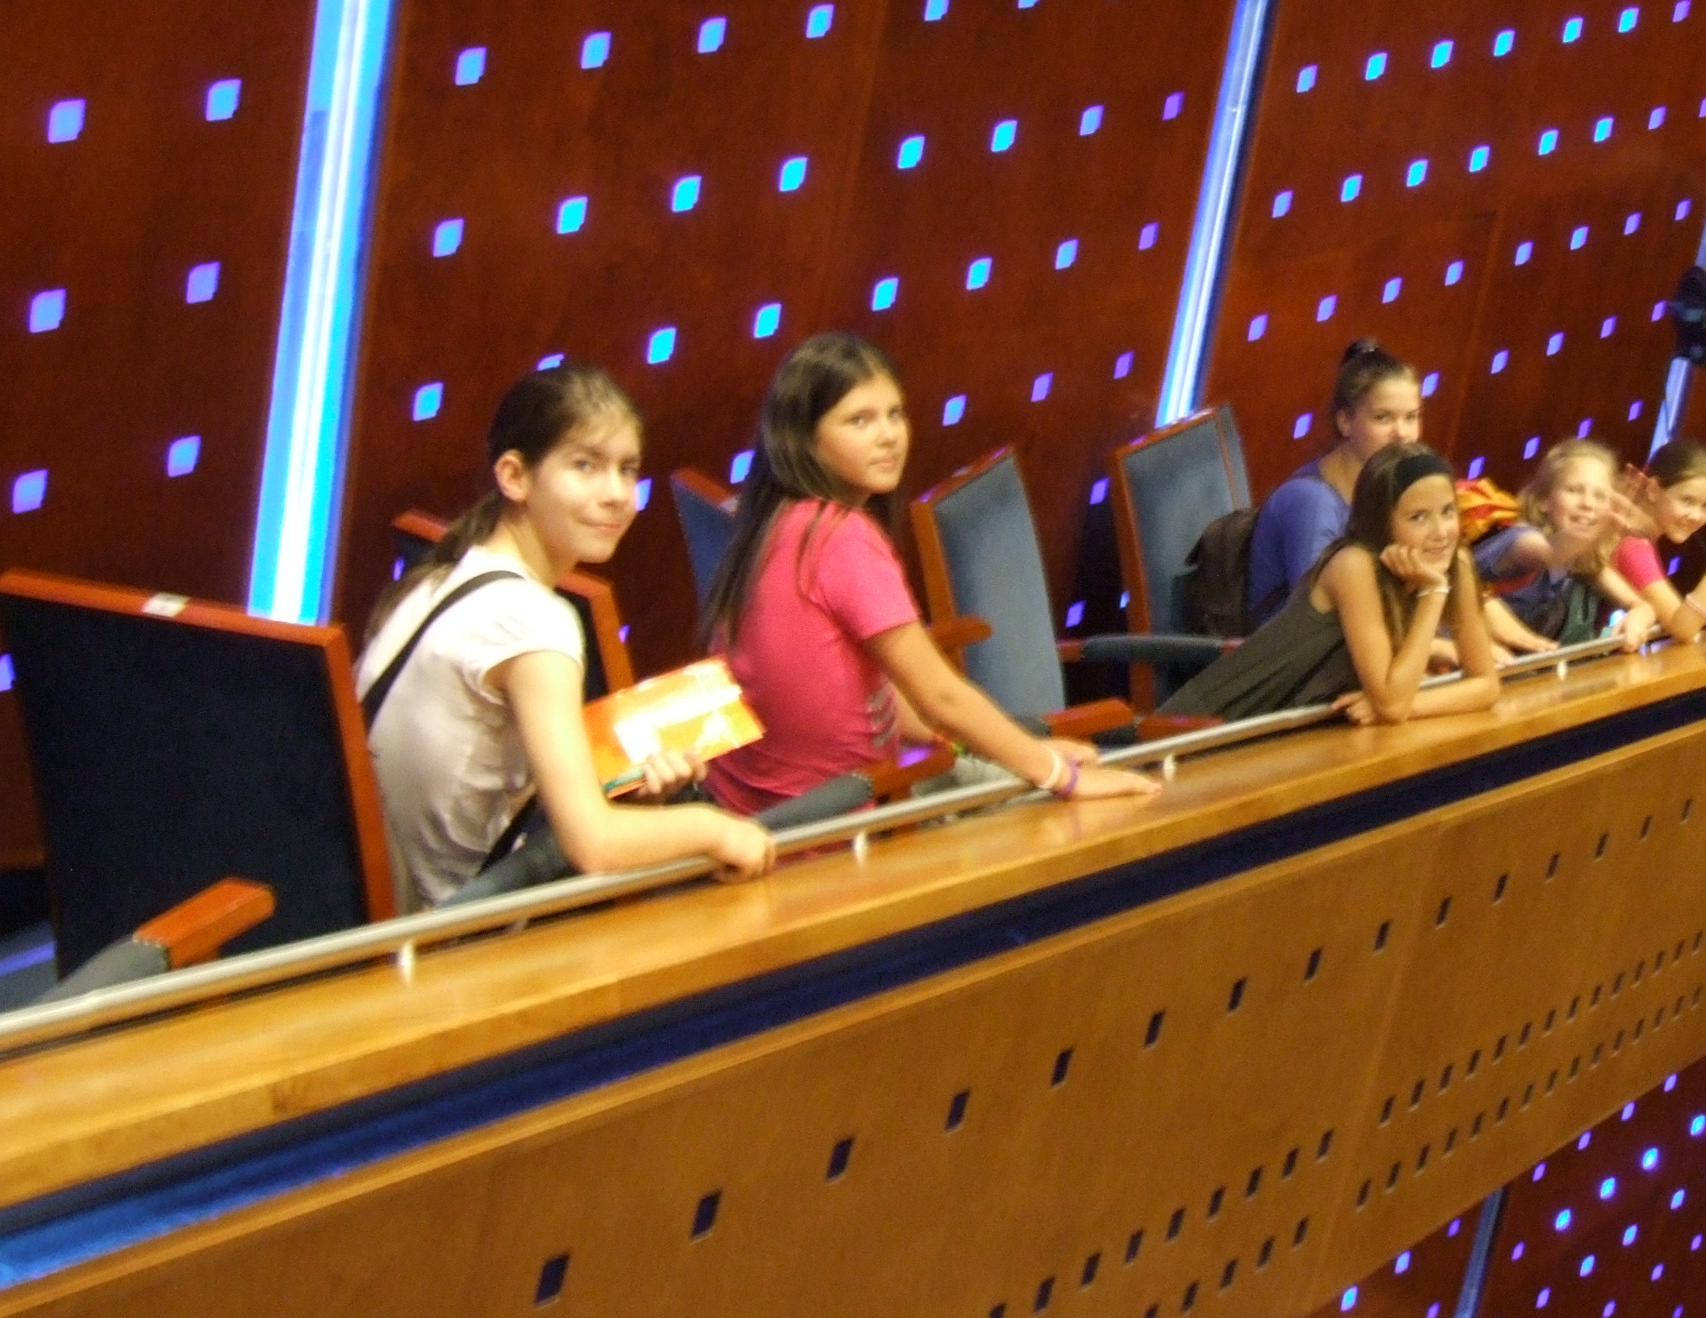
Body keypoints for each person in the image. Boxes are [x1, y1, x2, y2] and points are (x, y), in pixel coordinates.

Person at [361, 366, 775, 910]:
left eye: (627, 470)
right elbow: (592, 844)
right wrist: (716, 828)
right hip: (463, 929)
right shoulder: (535, 621)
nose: (617, 495)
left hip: (400, 918)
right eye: (586, 466)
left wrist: (629, 788)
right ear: (515, 476)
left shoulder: (437, 576)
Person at [701, 333, 1158, 810]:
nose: (889, 436)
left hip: (769, 811)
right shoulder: (841, 537)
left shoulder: (775, 521)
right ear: (804, 440)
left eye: (895, 414)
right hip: (843, 820)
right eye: (860, 420)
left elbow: (871, 693)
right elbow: (941, 697)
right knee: (1112, 805)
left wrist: (1017, 753)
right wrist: (1061, 777)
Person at [1155, 443, 1499, 725]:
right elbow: (1393, 705)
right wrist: (1433, 593)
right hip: (1216, 724)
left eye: (1448, 511)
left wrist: (1411, 704)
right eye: (1418, 517)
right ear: (1382, 524)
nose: (1441, 532)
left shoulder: (1455, 563)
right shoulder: (1354, 566)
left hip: (1299, 731)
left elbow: (1485, 684)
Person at [1244, 340, 1422, 623]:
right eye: (1383, 418)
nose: (1402, 434)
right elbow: (1322, 616)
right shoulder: (1313, 503)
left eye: (1411, 418)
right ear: (1345, 422)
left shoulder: (1388, 491)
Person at [1471, 438, 1657, 654]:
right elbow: (1550, 552)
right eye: (1574, 490)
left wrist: (1640, 615)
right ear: (1543, 500)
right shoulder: (1519, 540)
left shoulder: (1581, 557)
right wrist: (1598, 528)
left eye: (1599, 496)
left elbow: (1643, 606)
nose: (1588, 503)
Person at [1610, 430, 1706, 645]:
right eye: (1686, 501)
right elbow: (1684, 628)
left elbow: (1671, 470)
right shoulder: (1632, 547)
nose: (1696, 516)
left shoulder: (1641, 515)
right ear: (1653, 489)